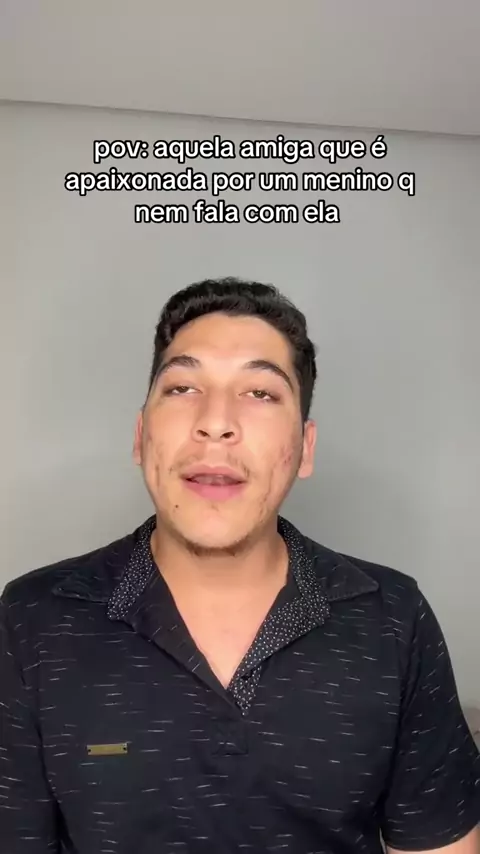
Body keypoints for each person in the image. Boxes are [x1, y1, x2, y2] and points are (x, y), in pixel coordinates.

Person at [1, 277, 479, 854]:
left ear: (304, 448)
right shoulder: (31, 621)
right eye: (182, 387)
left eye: (260, 393)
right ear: (140, 436)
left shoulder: (393, 618)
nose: (216, 422)